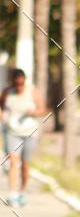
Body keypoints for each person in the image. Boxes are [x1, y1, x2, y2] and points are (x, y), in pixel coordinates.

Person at [0, 68, 45, 207]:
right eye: (16, 84)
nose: (19, 86)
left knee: (25, 165)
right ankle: (13, 194)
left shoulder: (33, 92)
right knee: (13, 161)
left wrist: (33, 112)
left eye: (21, 84)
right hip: (12, 132)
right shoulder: (7, 92)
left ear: (24, 81)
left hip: (30, 132)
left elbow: (42, 109)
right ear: (12, 82)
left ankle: (22, 192)